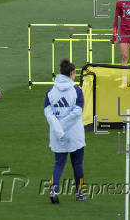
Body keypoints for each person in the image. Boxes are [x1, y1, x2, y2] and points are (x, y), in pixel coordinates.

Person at [44, 59, 86, 204]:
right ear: (72, 73)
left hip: (57, 135)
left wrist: (58, 128)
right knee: (77, 164)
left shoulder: (50, 92)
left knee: (59, 164)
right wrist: (63, 127)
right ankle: (80, 193)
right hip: (75, 134)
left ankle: (53, 190)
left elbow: (49, 114)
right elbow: (77, 113)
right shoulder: (77, 91)